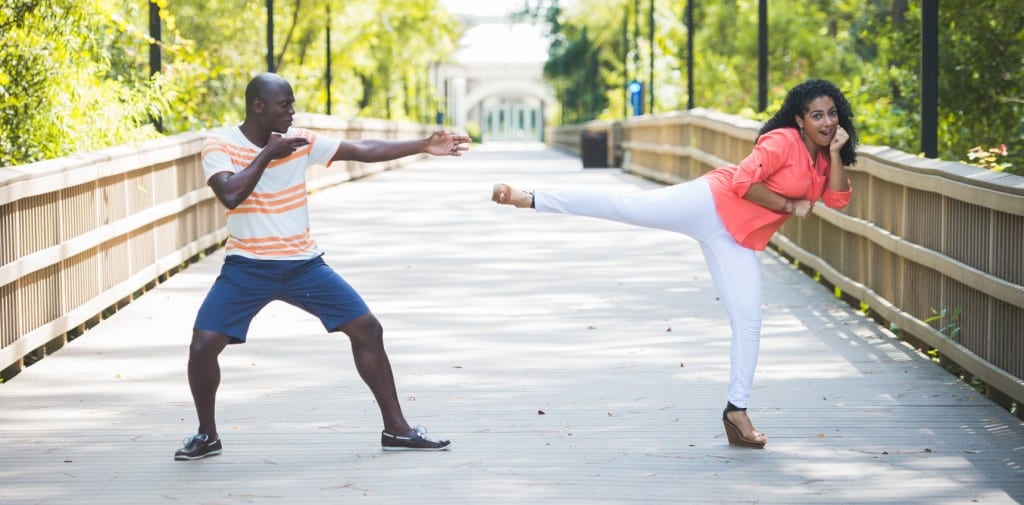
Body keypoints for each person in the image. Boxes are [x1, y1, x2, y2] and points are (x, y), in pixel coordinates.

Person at [491, 78, 857, 449]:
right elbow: (744, 180)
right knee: (627, 206)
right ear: (799, 120)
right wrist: (789, 206)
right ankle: (532, 197)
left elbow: (839, 200)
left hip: (736, 238)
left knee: (749, 320)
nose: (827, 122)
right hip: (709, 203)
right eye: (817, 115)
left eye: (831, 114)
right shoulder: (782, 142)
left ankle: (736, 410)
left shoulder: (825, 159)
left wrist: (839, 153)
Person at [174, 72, 468, 460]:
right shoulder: (220, 143)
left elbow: (363, 149)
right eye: (284, 105)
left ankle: (397, 430)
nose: (292, 112)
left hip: (303, 265)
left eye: (292, 104)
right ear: (257, 106)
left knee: (368, 330)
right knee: (202, 346)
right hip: (247, 265)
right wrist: (267, 154)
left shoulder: (302, 141)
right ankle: (207, 435)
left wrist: (423, 146)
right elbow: (230, 194)